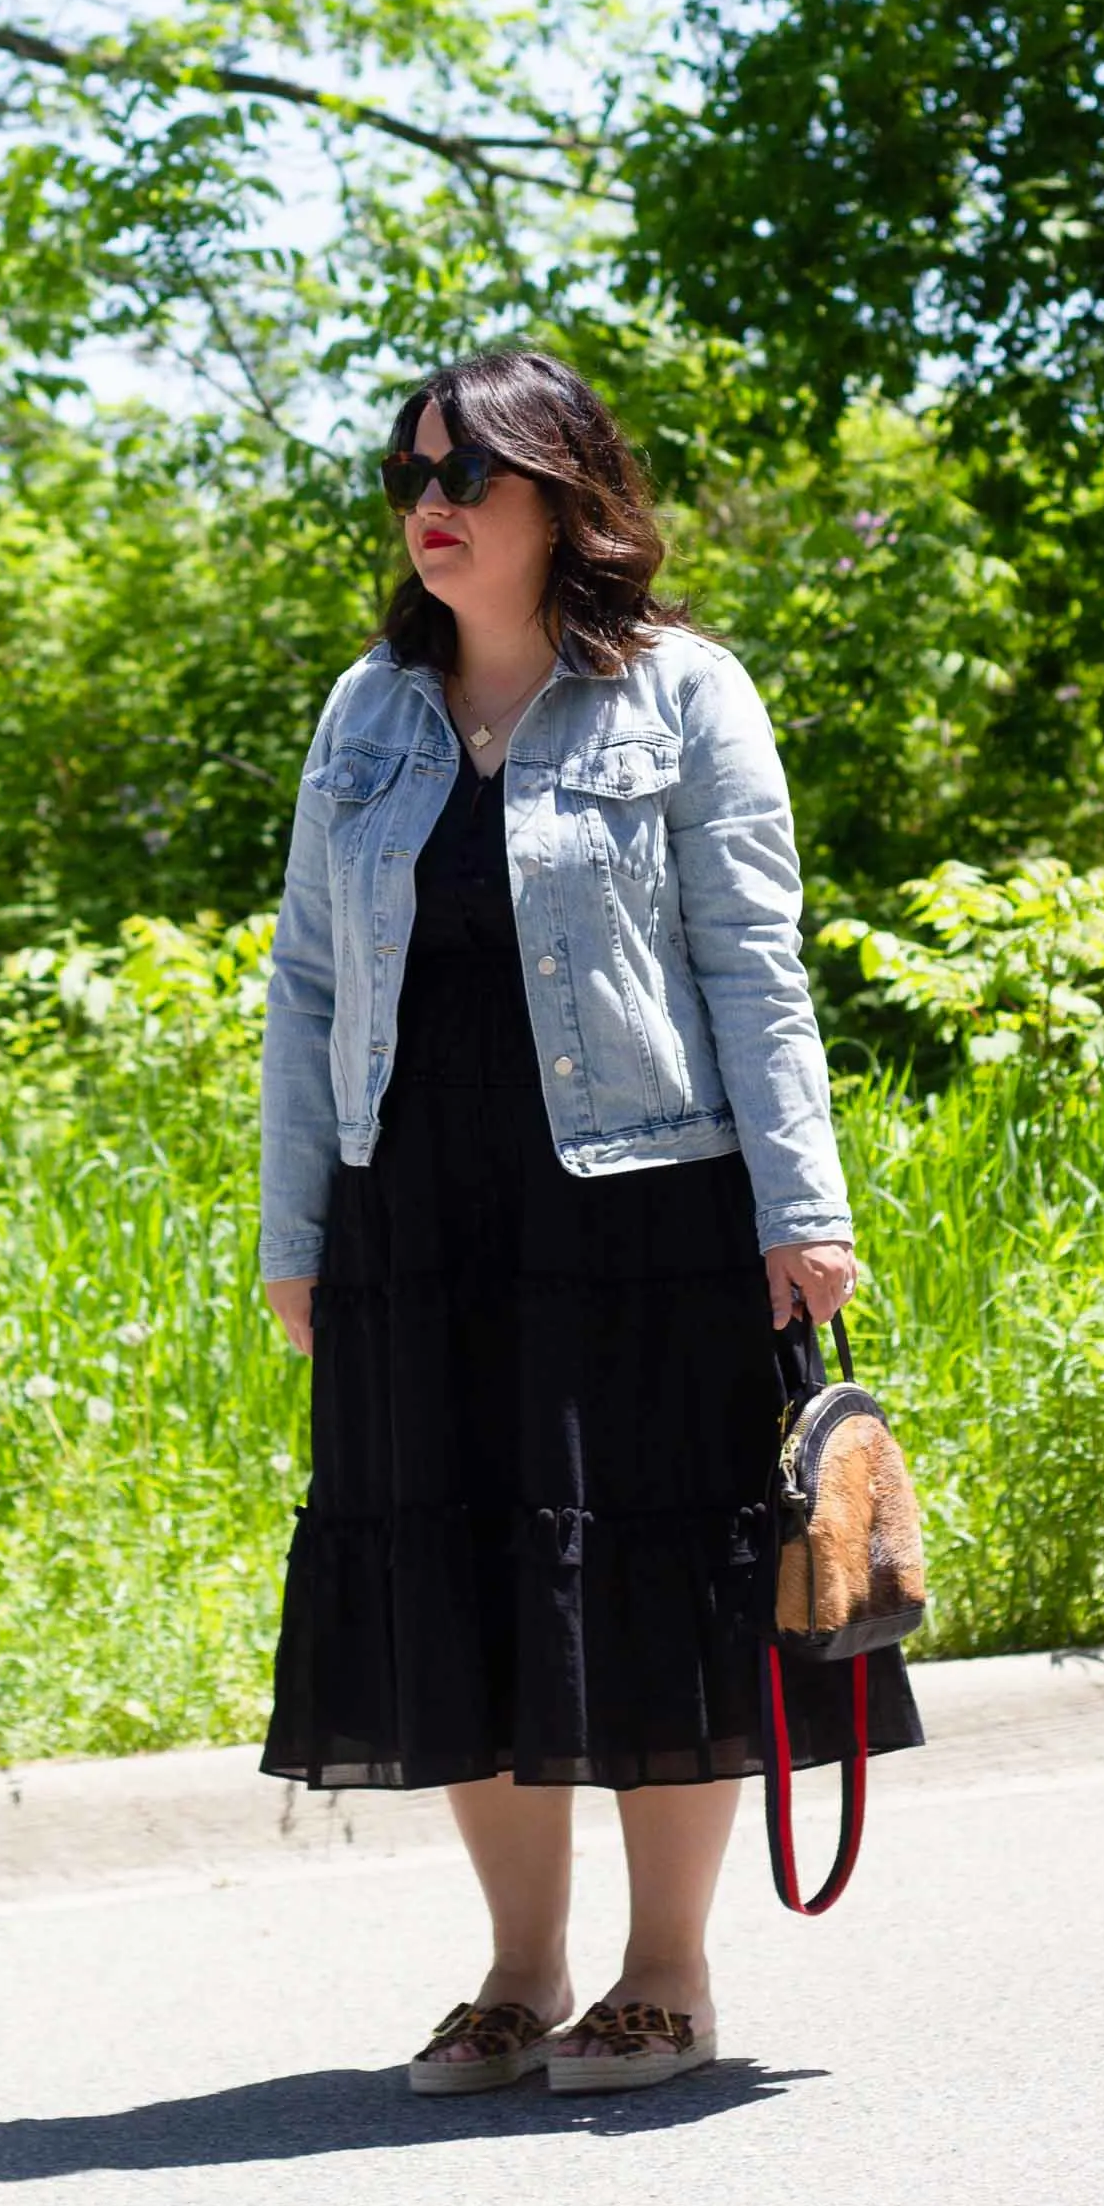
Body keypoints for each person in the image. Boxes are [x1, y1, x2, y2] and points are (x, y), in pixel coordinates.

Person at [256, 346, 924, 2097]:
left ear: (565, 499)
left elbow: (753, 970)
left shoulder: (683, 695)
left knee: (650, 1576)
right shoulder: (366, 717)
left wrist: (804, 1205)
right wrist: (298, 1228)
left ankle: (668, 1972)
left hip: (645, 1202)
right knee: (461, 1575)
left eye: (470, 478)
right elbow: (307, 989)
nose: (431, 509)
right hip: (416, 1214)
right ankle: (518, 1971)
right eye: (412, 477)